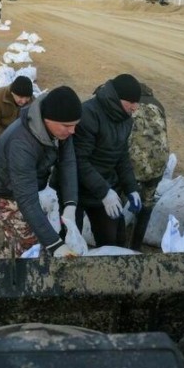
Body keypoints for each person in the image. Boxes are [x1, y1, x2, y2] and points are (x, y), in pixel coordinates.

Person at [0, 86, 82, 258]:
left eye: (75, 125)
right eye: (67, 126)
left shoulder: (60, 131)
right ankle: (16, 276)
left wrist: (71, 203)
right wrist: (55, 244)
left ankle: (5, 263)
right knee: (31, 243)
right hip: (5, 193)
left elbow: (68, 162)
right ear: (48, 120)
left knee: (18, 236)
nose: (73, 131)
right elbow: (27, 200)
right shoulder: (21, 143)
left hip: (25, 186)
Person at [71, 74, 142, 247]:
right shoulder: (88, 114)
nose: (135, 107)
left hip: (104, 187)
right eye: (131, 102)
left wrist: (131, 188)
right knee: (71, 241)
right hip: (75, 188)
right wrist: (104, 191)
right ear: (117, 98)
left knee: (114, 240)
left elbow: (122, 156)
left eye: (137, 102)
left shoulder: (125, 120)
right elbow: (79, 161)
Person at [127, 82, 169, 250]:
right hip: (158, 164)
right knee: (147, 203)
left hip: (132, 165)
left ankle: (116, 241)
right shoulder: (158, 105)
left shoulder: (129, 105)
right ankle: (135, 245)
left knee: (120, 196)